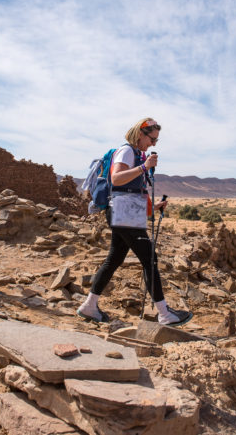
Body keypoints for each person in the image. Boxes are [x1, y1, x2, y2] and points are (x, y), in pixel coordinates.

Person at [77, 118, 193, 327]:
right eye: (152, 139)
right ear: (141, 134)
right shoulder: (127, 151)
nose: (154, 144)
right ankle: (165, 313)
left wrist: (154, 207)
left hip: (125, 214)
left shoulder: (136, 154)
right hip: (124, 215)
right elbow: (118, 179)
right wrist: (144, 167)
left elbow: (130, 188)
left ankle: (89, 306)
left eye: (156, 140)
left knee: (114, 259)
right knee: (150, 258)